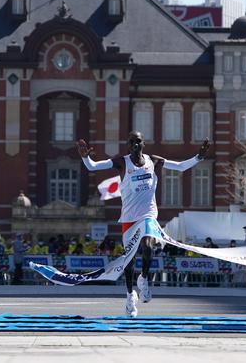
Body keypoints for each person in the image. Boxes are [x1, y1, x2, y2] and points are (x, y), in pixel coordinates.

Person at [78, 132, 210, 317]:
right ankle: (130, 296)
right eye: (131, 141)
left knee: (148, 246)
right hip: (129, 219)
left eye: (138, 141)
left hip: (148, 215)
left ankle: (145, 278)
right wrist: (85, 158)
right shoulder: (121, 163)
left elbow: (179, 167)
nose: (135, 144)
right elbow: (93, 167)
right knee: (129, 260)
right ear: (128, 146)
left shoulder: (153, 161)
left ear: (143, 144)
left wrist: (199, 157)